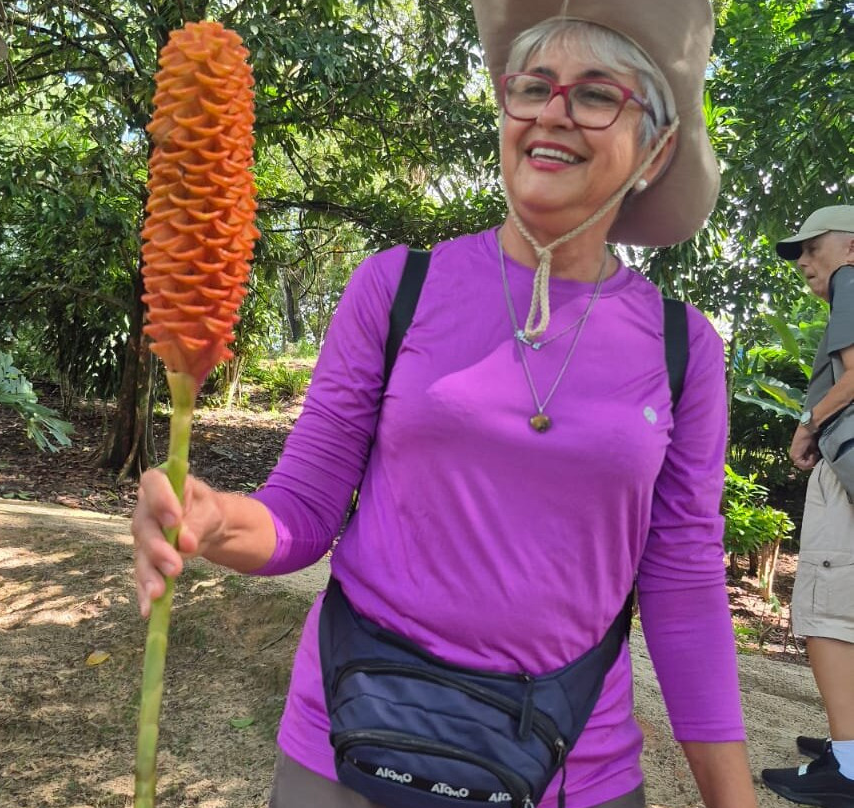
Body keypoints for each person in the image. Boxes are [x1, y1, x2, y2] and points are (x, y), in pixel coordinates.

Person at [132, 2, 761, 806]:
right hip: (351, 750)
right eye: (533, 86)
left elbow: (684, 587)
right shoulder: (397, 288)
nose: (554, 113)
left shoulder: (684, 349)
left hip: (572, 771)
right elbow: (303, 511)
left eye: (598, 95)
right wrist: (213, 519)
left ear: (657, 147)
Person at [761, 205, 854, 807]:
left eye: (810, 247)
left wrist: (808, 423)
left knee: (828, 607)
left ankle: (848, 768)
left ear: (850, 248)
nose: (801, 261)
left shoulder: (852, 278)